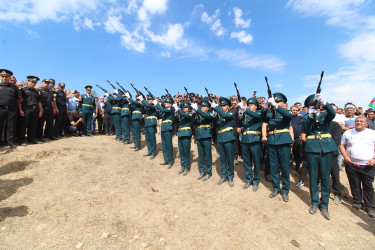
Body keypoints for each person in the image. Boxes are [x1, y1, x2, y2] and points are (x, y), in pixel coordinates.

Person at [301, 94, 337, 220]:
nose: (313, 107)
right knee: (313, 177)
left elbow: (333, 113)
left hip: (326, 148)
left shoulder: (325, 115)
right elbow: (305, 129)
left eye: (315, 105)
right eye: (311, 106)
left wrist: (324, 102)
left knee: (325, 178)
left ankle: (325, 204)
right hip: (312, 148)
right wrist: (310, 117)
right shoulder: (306, 118)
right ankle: (315, 202)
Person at [339, 116, 375, 218]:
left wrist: (374, 159)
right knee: (354, 184)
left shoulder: (372, 133)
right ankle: (357, 202)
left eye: (361, 121)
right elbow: (342, 145)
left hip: (367, 165)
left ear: (366, 123)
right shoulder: (348, 133)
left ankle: (369, 207)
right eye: (357, 121)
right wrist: (345, 156)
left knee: (368, 186)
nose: (358, 123)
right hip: (351, 164)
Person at [261, 92, 293, 202]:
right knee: (273, 167)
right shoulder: (270, 114)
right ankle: (275, 188)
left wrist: (276, 106)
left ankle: (285, 190)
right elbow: (262, 118)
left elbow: (289, 116)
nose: (277, 103)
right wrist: (265, 107)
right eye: (275, 101)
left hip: (283, 142)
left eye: (279, 101)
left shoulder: (286, 112)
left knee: (284, 168)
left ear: (284, 104)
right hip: (272, 142)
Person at [239, 97, 262, 191]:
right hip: (245, 140)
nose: (249, 106)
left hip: (255, 140)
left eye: (251, 105)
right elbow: (241, 125)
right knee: (247, 161)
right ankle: (249, 179)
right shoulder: (246, 115)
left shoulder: (259, 113)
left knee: (256, 161)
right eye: (248, 105)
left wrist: (245, 109)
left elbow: (257, 117)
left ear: (256, 106)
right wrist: (241, 115)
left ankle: (256, 180)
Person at [213, 97, 236, 187]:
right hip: (221, 138)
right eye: (221, 105)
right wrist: (215, 115)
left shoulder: (231, 113)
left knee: (229, 158)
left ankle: (230, 177)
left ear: (229, 107)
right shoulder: (220, 115)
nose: (222, 107)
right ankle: (224, 175)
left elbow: (226, 116)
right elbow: (215, 124)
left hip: (228, 138)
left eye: (224, 105)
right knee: (222, 158)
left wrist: (216, 108)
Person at [191, 99, 214, 181]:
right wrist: (193, 114)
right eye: (201, 106)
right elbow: (193, 123)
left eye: (204, 106)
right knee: (201, 155)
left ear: (208, 108)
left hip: (207, 136)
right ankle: (202, 171)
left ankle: (208, 172)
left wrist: (197, 110)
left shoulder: (210, 114)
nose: (202, 107)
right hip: (199, 136)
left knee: (208, 155)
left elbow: (206, 116)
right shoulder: (198, 115)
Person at [0, 69, 23, 149]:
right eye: (3, 77)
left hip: (11, 109)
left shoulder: (14, 88)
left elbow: (20, 99)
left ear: (9, 78)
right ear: (0, 77)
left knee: (11, 126)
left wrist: (12, 103)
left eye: (6, 77)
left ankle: (11, 142)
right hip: (1, 109)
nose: (4, 78)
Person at [20, 76, 43, 145]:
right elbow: (20, 101)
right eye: (32, 82)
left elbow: (39, 102)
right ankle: (22, 140)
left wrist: (40, 111)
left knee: (33, 125)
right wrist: (20, 110)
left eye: (35, 82)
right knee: (24, 125)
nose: (33, 84)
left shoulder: (36, 92)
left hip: (35, 109)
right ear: (28, 81)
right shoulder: (23, 90)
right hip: (26, 109)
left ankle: (31, 139)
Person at [174, 101, 194, 175]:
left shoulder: (190, 114)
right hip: (180, 134)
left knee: (186, 152)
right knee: (181, 152)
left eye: (186, 107)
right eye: (183, 107)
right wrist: (176, 114)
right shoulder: (181, 115)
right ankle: (183, 166)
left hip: (186, 134)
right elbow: (175, 121)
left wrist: (178, 110)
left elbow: (186, 115)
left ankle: (187, 167)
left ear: (189, 109)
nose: (184, 109)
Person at [154, 96, 175, 169]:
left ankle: (170, 161)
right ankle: (166, 159)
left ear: (170, 104)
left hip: (168, 128)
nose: (165, 103)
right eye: (165, 102)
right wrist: (156, 110)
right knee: (164, 145)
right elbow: (159, 116)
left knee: (169, 145)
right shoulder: (164, 110)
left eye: (167, 102)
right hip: (163, 128)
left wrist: (157, 105)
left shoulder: (171, 109)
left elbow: (165, 111)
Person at [140, 94, 158, 159]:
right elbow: (143, 110)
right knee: (147, 138)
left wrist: (142, 100)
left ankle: (153, 152)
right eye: (148, 99)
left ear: (153, 100)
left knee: (152, 138)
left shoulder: (154, 106)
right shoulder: (147, 106)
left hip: (151, 123)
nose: (148, 101)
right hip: (147, 123)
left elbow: (148, 105)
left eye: (149, 99)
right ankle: (149, 150)